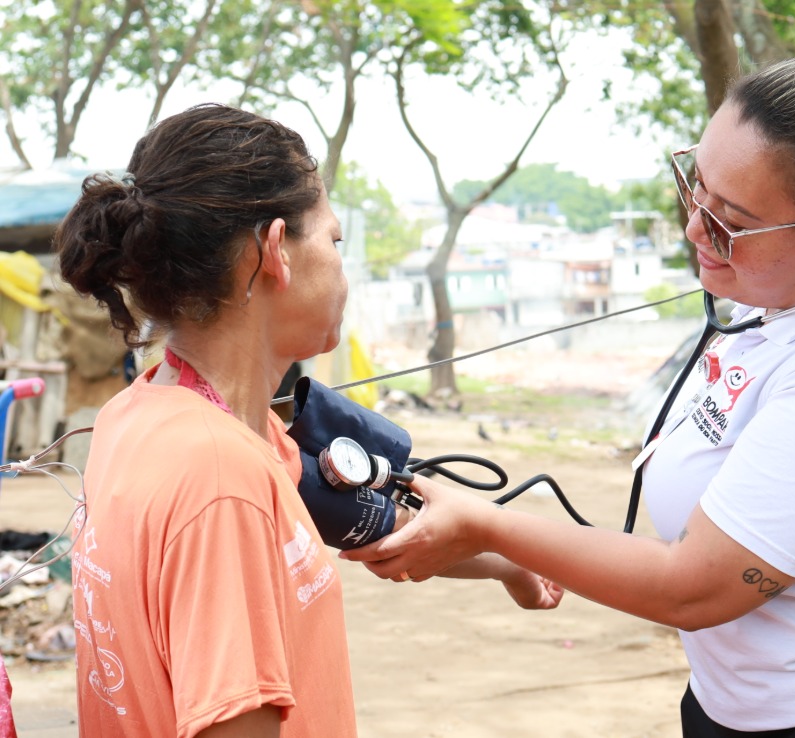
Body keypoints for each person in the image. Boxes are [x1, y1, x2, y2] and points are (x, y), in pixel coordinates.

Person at [345, 54, 795, 737]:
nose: (695, 230)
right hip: (738, 703)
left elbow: (695, 584)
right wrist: (515, 554)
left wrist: (489, 526)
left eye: (731, 223)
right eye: (697, 190)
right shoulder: (780, 303)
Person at [56, 104, 559, 738]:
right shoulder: (221, 479)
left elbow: (372, 522)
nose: (341, 265)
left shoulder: (154, 415)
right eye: (334, 240)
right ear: (274, 251)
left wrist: (509, 555)